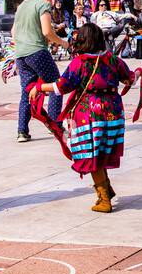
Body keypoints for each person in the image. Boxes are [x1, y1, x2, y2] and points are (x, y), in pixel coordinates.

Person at [33, 24, 134, 214]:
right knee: (102, 151)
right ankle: (106, 189)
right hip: (113, 113)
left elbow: (61, 87)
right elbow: (129, 79)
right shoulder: (113, 60)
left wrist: (38, 88)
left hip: (89, 114)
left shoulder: (79, 62)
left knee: (91, 154)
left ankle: (104, 199)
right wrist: (136, 74)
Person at [13, 0, 69, 142]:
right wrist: (63, 43)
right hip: (37, 51)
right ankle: (54, 124)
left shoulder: (22, 5)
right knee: (56, 85)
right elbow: (47, 32)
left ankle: (22, 131)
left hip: (21, 54)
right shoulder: (43, 5)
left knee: (27, 91)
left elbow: (13, 32)